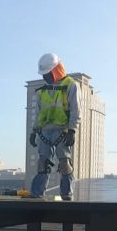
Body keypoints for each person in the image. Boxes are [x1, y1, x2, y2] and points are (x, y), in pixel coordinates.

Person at [29, 53, 81, 200]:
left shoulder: (71, 85)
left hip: (62, 130)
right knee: (42, 162)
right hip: (45, 131)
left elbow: (76, 110)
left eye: (48, 74)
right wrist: (33, 132)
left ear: (56, 70)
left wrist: (72, 130)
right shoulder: (43, 91)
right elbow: (39, 113)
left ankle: (66, 194)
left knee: (64, 162)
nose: (45, 77)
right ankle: (37, 193)